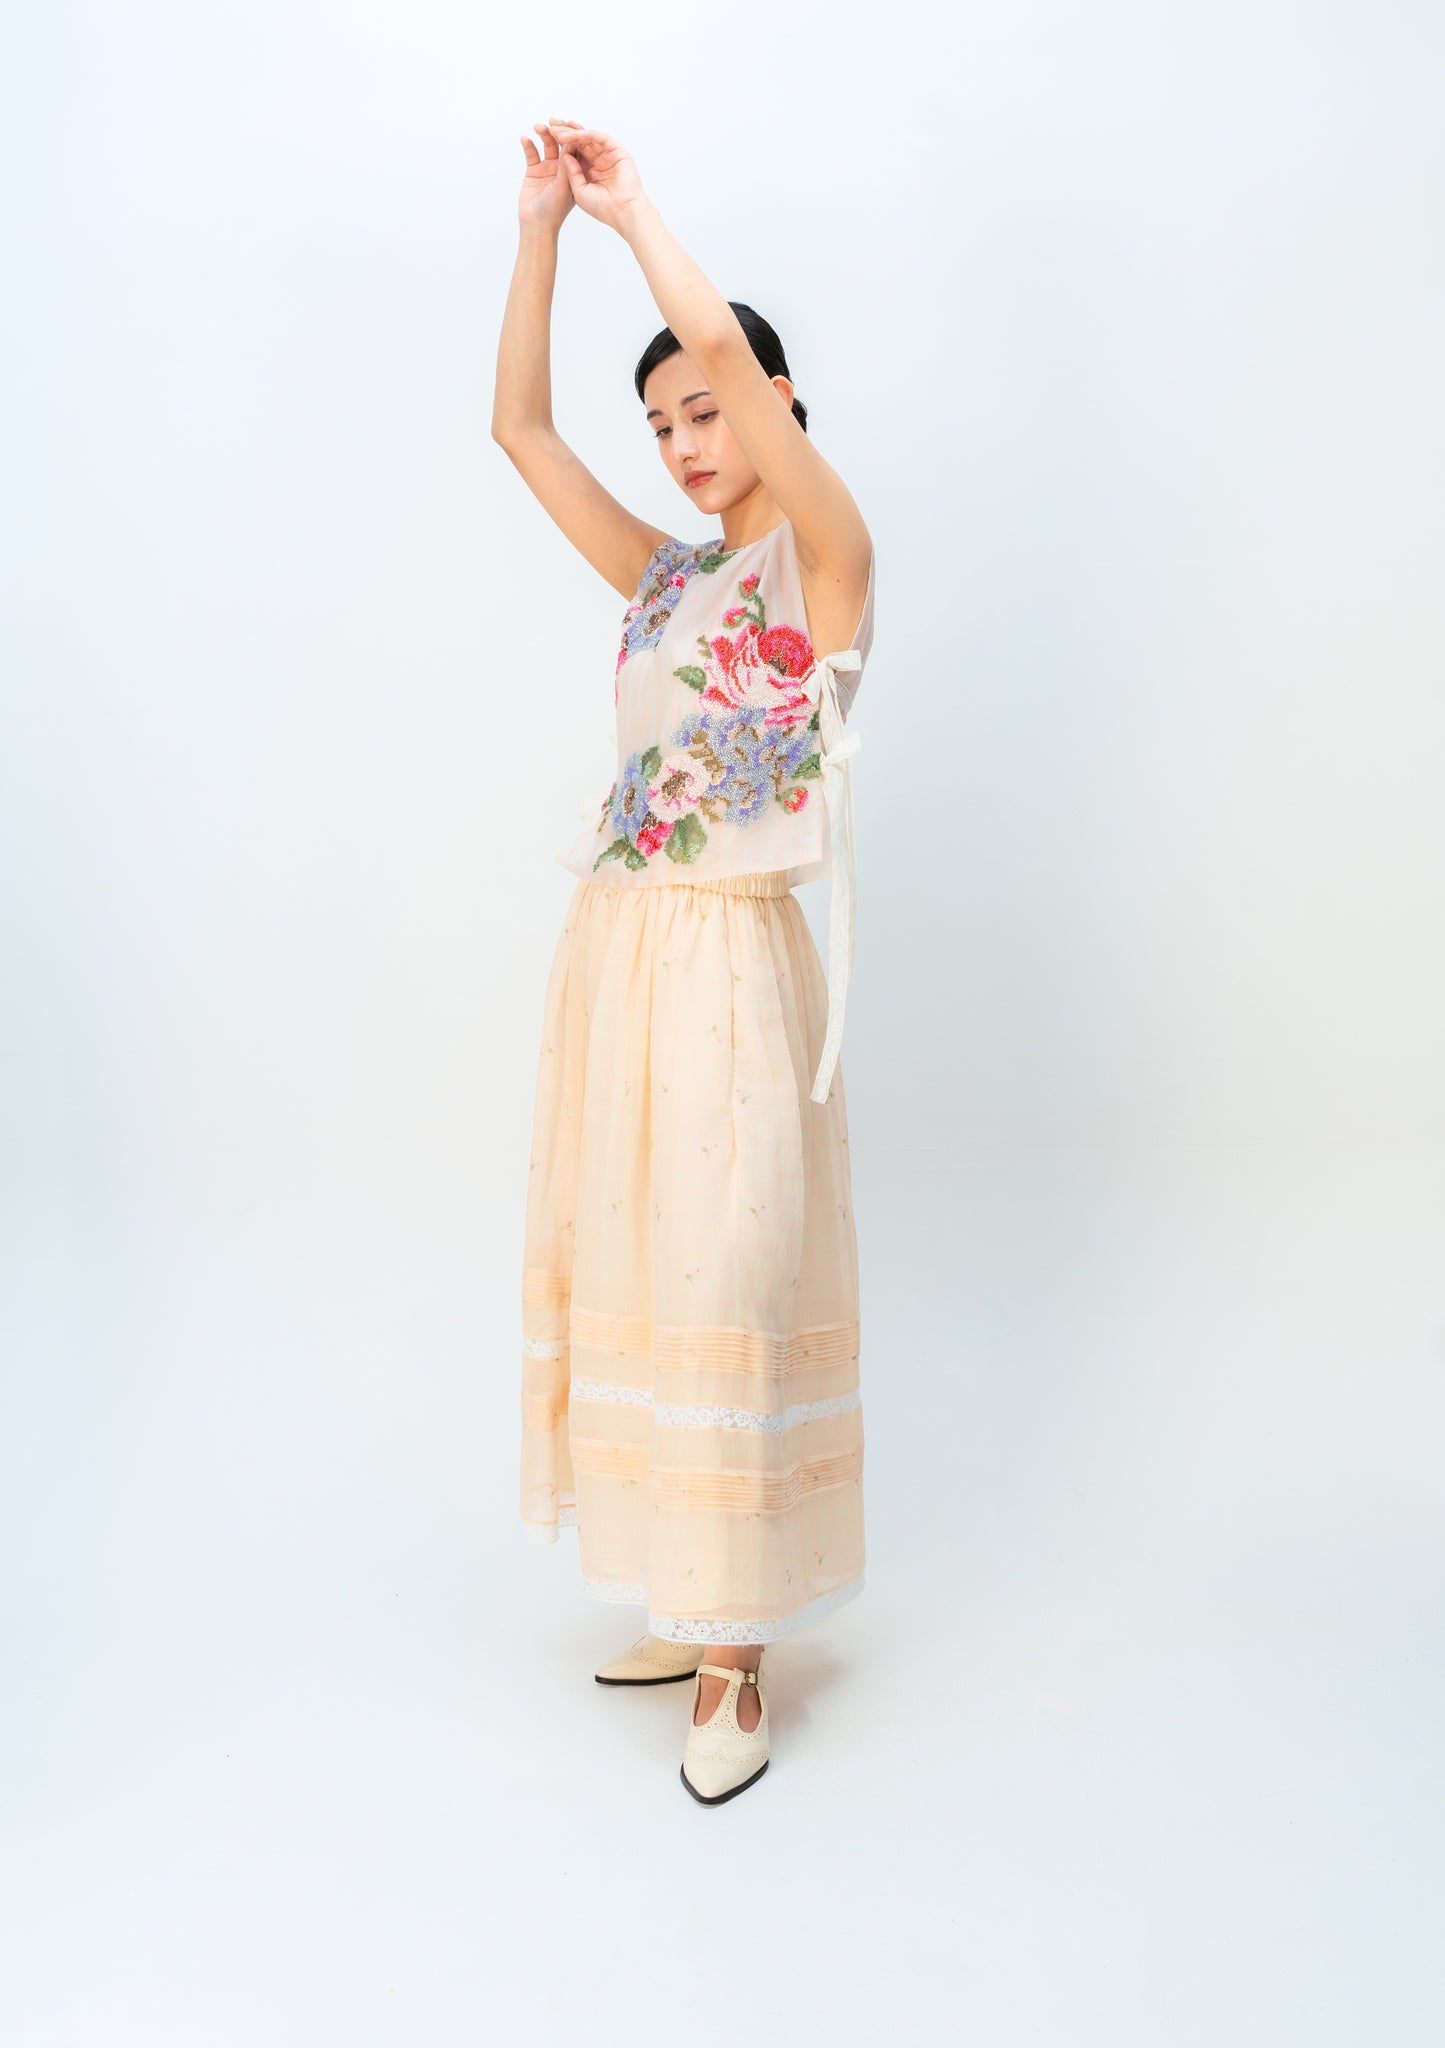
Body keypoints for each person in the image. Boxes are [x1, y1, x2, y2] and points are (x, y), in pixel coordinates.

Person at [494, 117, 876, 1805]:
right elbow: (517, 431)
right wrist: (536, 234)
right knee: (642, 1265)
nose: (681, 444)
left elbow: (717, 341)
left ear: (774, 408)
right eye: (660, 426)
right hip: (619, 951)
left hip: (732, 959)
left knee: (730, 1267)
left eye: (705, 412)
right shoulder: (663, 582)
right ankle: (687, 1591)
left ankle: (739, 1651)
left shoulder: (826, 560)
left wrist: (631, 209)